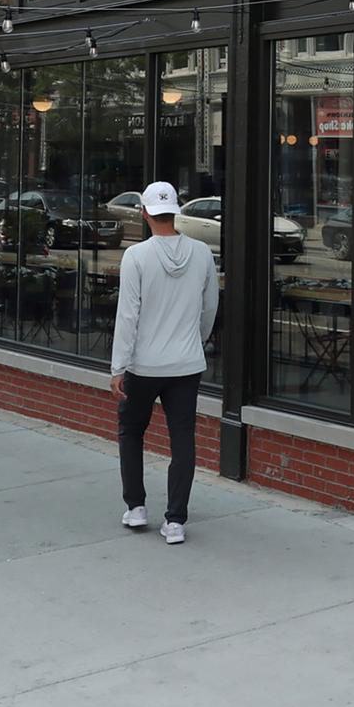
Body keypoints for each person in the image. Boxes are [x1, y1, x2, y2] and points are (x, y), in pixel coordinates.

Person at [112, 180, 220, 546]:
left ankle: (136, 507)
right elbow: (209, 308)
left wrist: (118, 366)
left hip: (143, 365)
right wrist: (196, 341)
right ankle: (175, 521)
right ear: (175, 211)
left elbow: (128, 316)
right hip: (186, 364)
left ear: (143, 212)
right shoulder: (203, 253)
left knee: (131, 432)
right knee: (183, 438)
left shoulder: (136, 257)